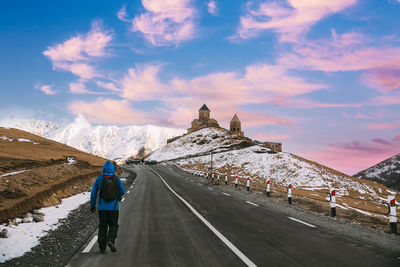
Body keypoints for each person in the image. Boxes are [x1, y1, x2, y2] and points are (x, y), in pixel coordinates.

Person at [90, 161, 126, 254]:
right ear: (113, 170)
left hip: (102, 208)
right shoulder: (116, 179)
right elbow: (123, 192)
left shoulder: (99, 179)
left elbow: (93, 193)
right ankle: (110, 240)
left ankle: (102, 248)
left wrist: (92, 205)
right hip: (114, 208)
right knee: (113, 225)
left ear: (103, 169)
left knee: (103, 226)